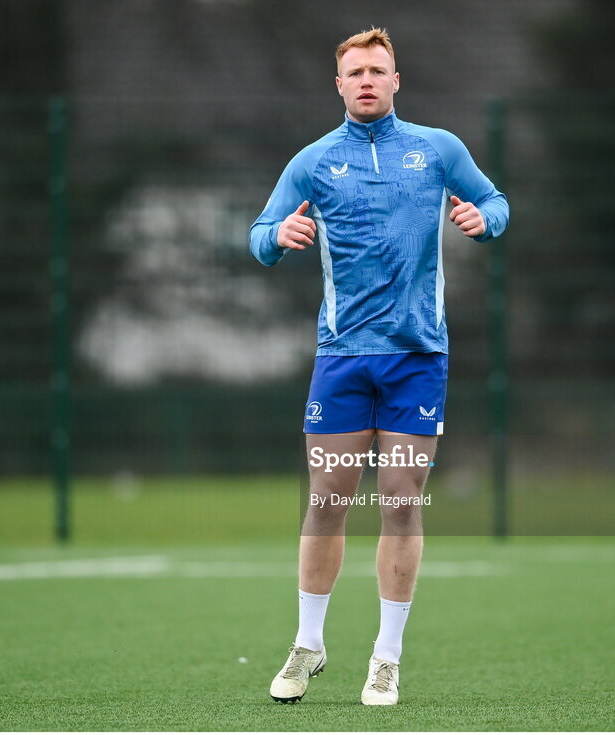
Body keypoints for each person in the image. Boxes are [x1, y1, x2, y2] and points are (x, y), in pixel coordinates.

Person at [249, 27, 508, 706]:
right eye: (355, 71)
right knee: (327, 502)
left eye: (377, 70)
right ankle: (309, 643)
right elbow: (257, 234)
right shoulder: (312, 162)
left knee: (400, 499)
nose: (366, 79)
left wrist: (485, 219)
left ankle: (386, 658)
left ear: (397, 81)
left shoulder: (437, 149)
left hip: (418, 357)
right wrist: (278, 236)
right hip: (342, 358)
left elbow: (498, 201)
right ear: (338, 85)